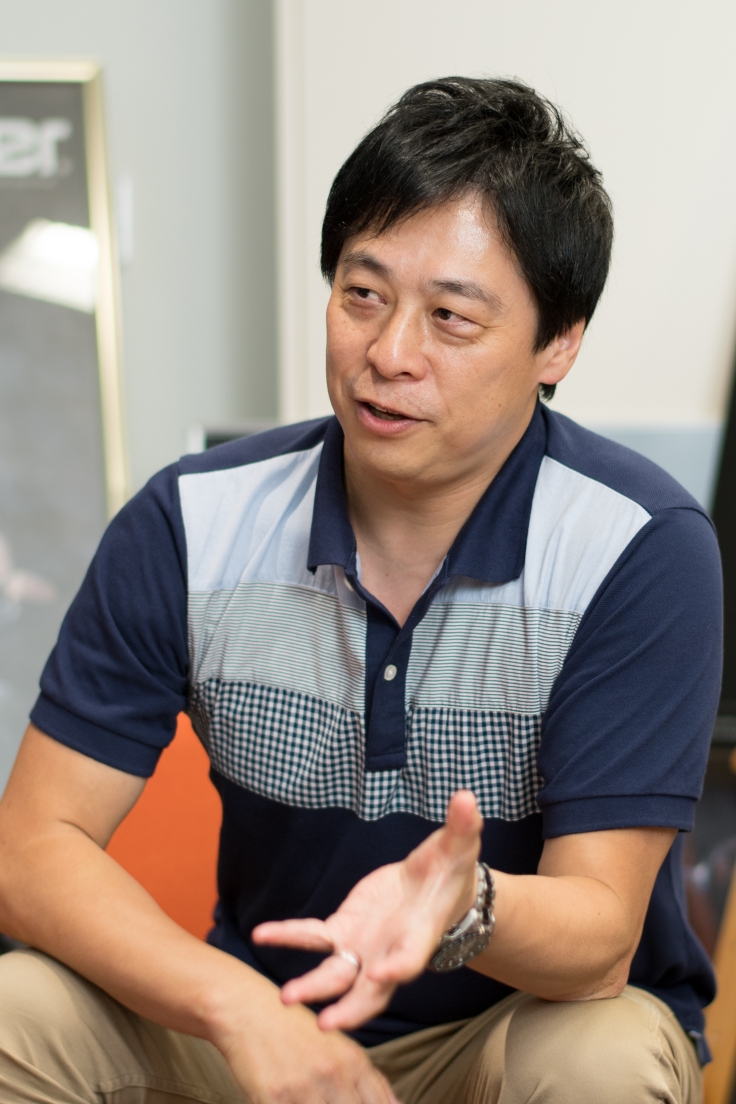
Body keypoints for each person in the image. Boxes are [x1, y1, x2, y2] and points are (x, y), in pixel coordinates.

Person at [0, 76, 721, 1104]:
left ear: (557, 342)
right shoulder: (193, 522)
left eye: (450, 318)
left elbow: (600, 937)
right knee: (18, 1009)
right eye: (362, 295)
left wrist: (461, 904)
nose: (388, 355)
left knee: (603, 1057)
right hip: (263, 1027)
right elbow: (31, 848)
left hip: (504, 1038)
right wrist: (239, 1009)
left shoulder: (634, 547)